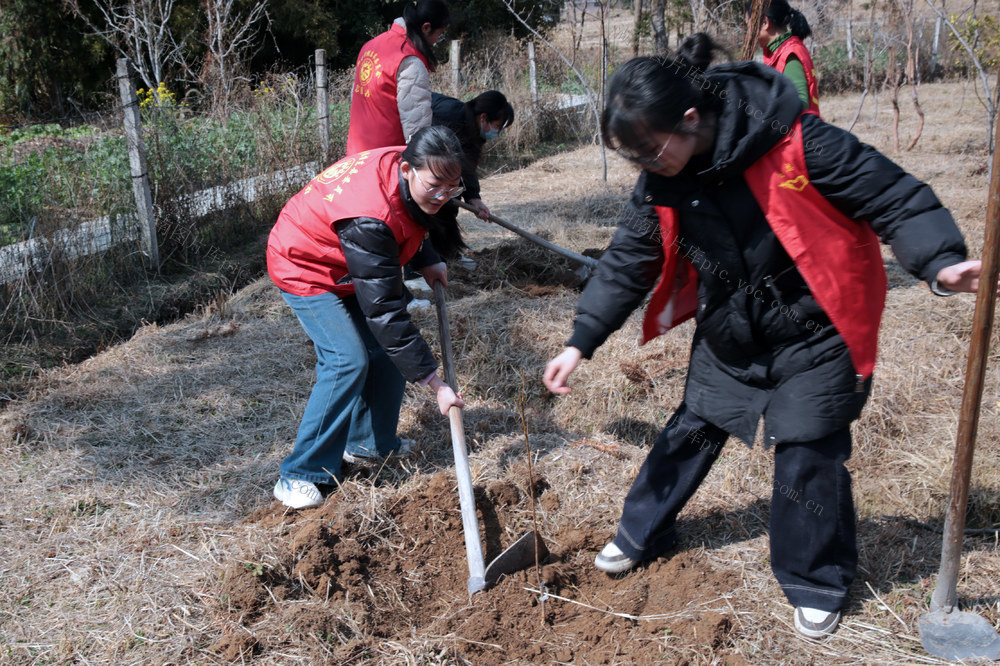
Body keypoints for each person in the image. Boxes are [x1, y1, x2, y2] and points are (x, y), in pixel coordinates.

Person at [543, 35, 986, 640]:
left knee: (807, 454)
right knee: (691, 429)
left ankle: (815, 580)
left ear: (691, 118)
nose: (643, 165)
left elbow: (893, 195)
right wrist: (581, 340)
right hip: (732, 327)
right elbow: (628, 258)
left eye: (649, 149)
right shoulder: (662, 176)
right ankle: (640, 531)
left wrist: (939, 261)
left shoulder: (798, 141)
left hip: (818, 329)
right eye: (633, 157)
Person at [267, 126, 467, 510]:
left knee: (384, 353)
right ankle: (299, 474)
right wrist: (435, 382)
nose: (443, 197)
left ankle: (368, 445)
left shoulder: (419, 165)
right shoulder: (370, 217)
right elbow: (385, 311)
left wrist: (426, 257)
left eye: (451, 188)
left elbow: (413, 214)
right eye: (435, 187)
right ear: (407, 170)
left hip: (351, 262)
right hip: (305, 265)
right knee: (347, 359)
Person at [346, 0, 451, 155]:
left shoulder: (370, 45)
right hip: (386, 157)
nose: (437, 41)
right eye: (439, 35)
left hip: (356, 154)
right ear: (426, 28)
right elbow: (417, 127)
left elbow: (355, 97)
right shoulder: (410, 60)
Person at [431, 90, 515, 220]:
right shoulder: (448, 117)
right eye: (497, 126)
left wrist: (473, 197)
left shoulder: (474, 131)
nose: (497, 133)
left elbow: (466, 167)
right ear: (483, 118)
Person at [747, 0, 820, 114]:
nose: (748, 32)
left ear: (765, 23)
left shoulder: (790, 55)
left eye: (749, 25)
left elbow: (799, 106)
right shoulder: (776, 53)